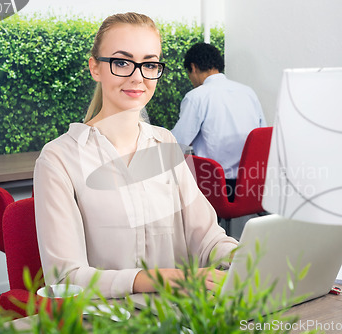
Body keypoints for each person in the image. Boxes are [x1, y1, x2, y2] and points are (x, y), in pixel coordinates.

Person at [33, 13, 238, 299]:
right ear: (95, 68)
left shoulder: (163, 142)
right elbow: (66, 277)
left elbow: (206, 237)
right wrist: (166, 279)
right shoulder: (59, 158)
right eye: (121, 62)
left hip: (181, 312)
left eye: (150, 64)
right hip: (107, 319)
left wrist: (246, 260)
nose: (138, 77)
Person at [171, 43, 266, 202]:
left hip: (216, 185)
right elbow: (262, 138)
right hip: (254, 184)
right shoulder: (248, 92)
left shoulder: (197, 97)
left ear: (193, 68)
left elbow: (177, 143)